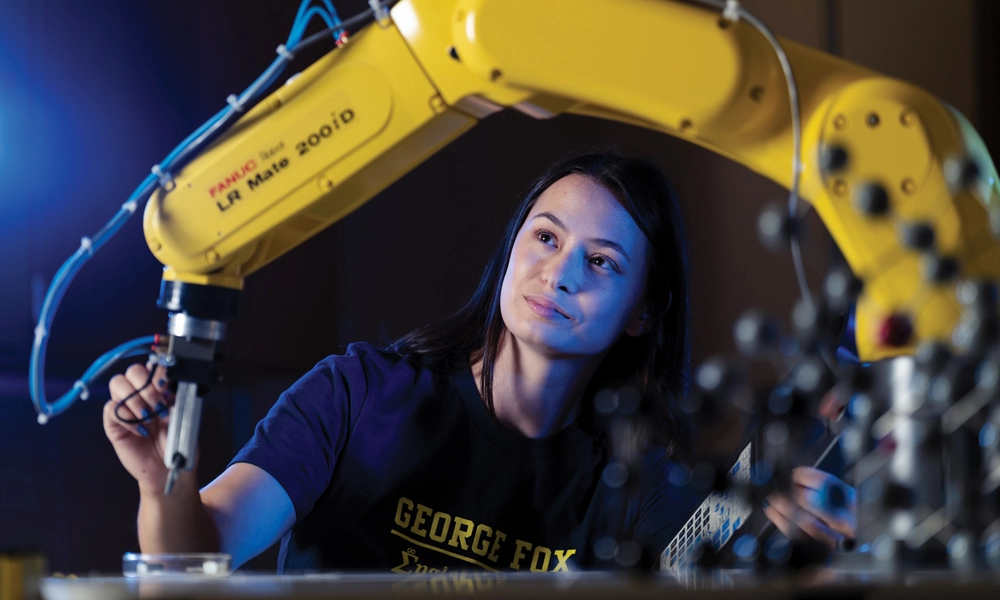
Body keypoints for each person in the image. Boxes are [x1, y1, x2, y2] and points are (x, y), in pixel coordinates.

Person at [103, 150, 854, 573]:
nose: (560, 275)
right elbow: (190, 569)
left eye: (602, 262)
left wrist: (786, 545)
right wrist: (158, 478)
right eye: (547, 239)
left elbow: (704, 560)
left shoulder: (642, 479)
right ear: (511, 246)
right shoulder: (358, 395)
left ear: (644, 312)